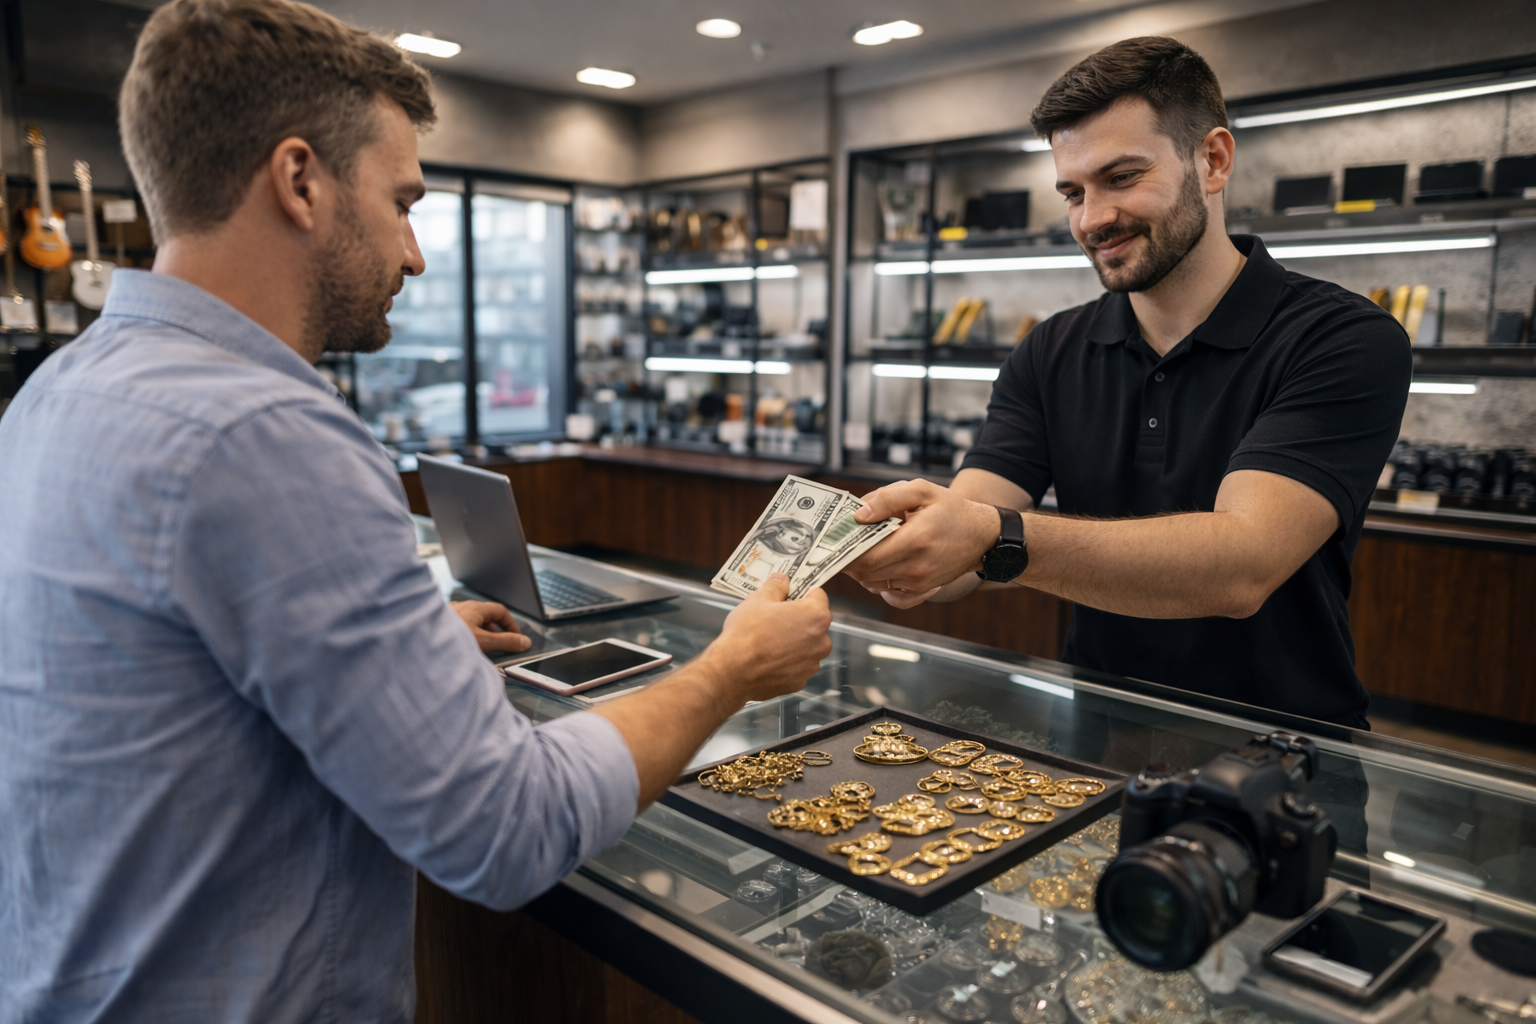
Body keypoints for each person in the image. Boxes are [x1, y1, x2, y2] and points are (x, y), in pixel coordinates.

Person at [0, 1, 831, 1020]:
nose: (416, 252)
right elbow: (506, 828)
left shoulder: (55, 392)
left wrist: (397, 645)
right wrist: (731, 668)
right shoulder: (268, 433)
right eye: (402, 202)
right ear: (300, 180)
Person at [846, 37, 1410, 729]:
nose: (1091, 219)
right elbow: (968, 538)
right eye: (1073, 193)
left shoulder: (1343, 338)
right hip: (1098, 735)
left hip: (1286, 747)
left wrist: (992, 536)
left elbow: (1242, 567)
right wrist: (912, 554)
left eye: (1121, 177)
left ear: (1213, 161)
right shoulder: (1049, 351)